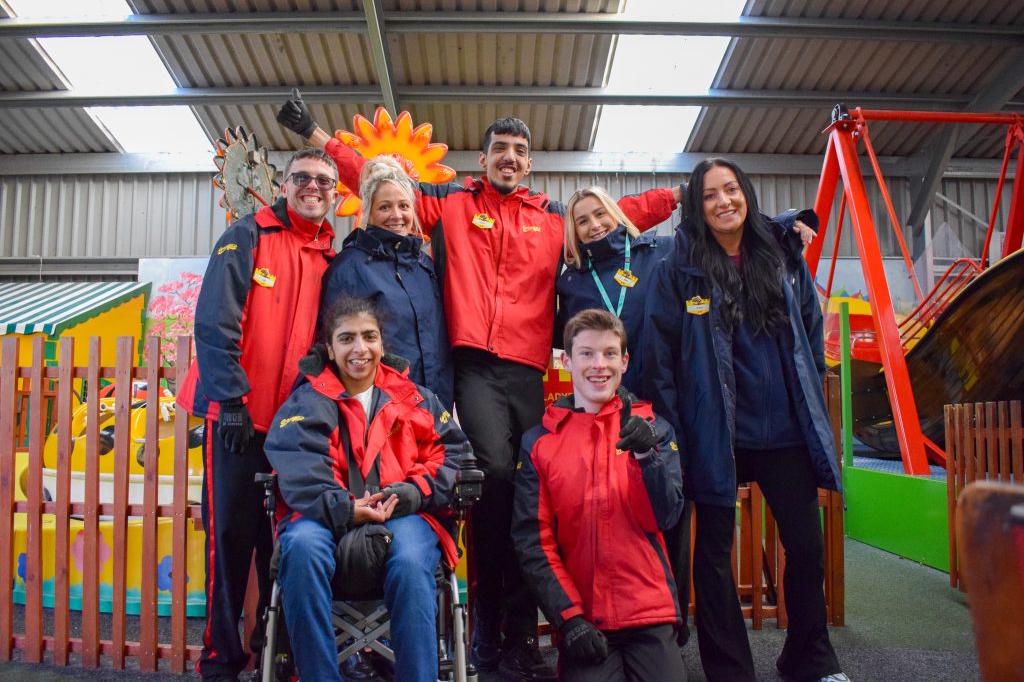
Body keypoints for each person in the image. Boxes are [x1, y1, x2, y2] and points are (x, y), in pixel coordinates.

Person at [277, 90, 682, 679]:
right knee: (494, 478)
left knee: (529, 494)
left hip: (529, 374)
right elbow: (380, 178)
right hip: (476, 370)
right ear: (485, 158)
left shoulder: (551, 216)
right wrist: (317, 136)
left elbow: (621, 213)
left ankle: (522, 636)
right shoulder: (454, 203)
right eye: (500, 150)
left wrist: (681, 194)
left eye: (519, 151)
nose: (509, 158)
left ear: (530, 161)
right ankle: (491, 636)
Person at [642, 158, 847, 682]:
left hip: (782, 433)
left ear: (747, 194)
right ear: (696, 205)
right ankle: (731, 671)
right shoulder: (677, 265)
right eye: (709, 195)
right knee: (712, 559)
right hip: (713, 434)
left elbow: (809, 329)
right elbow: (659, 356)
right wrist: (673, 431)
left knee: (806, 547)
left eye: (730, 190)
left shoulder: (780, 255)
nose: (723, 202)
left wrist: (809, 398)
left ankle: (809, 657)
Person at [176, 148, 338, 682]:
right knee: (230, 545)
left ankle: (276, 654)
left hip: (291, 432)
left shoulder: (328, 256)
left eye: (323, 180)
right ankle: (221, 661)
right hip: (236, 421)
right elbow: (214, 321)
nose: (312, 187)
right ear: (283, 185)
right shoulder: (247, 236)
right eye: (302, 178)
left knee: (285, 545)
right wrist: (233, 402)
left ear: (335, 193)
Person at [264, 295, 473, 682]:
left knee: (413, 562)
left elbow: (455, 457)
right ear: (329, 348)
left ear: (382, 344)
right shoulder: (305, 403)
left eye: (369, 336)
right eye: (346, 339)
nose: (360, 349)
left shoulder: (417, 399)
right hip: (326, 517)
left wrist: (414, 492)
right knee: (302, 549)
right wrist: (345, 507)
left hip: (405, 512)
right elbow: (298, 469)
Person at [512, 309, 686, 681]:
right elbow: (533, 540)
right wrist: (568, 617)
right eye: (587, 353)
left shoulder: (654, 427)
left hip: (648, 612)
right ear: (566, 360)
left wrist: (646, 457)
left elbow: (665, 518)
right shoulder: (539, 442)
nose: (599, 365)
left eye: (609, 354)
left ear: (624, 361)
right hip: (587, 620)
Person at [556, 185, 818, 395]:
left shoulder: (662, 251)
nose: (595, 225)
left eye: (601, 214)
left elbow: (726, 240)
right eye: (583, 221)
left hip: (670, 387)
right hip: (606, 395)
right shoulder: (572, 284)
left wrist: (785, 225)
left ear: (615, 214)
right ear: (574, 231)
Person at [320, 154, 454, 409]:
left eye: (404, 206)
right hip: (381, 408)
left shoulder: (424, 267)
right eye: (385, 207)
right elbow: (334, 344)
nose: (396, 215)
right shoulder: (350, 267)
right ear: (368, 212)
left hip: (434, 405)